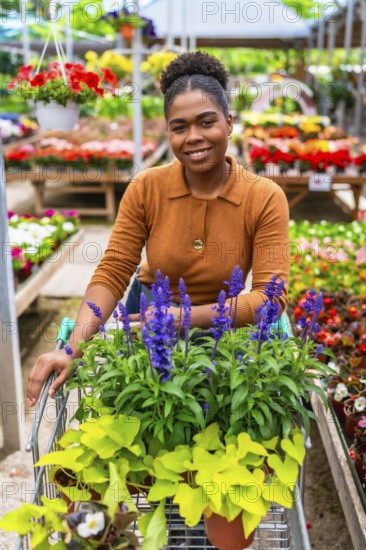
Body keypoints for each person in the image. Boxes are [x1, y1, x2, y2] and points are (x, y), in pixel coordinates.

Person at [27, 51, 290, 407]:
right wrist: (73, 348)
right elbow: (114, 270)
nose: (193, 137)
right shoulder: (147, 187)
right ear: (168, 132)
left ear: (229, 122)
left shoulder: (264, 197)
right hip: (147, 316)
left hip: (224, 328)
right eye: (179, 127)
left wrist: (185, 318)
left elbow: (270, 298)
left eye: (206, 122)